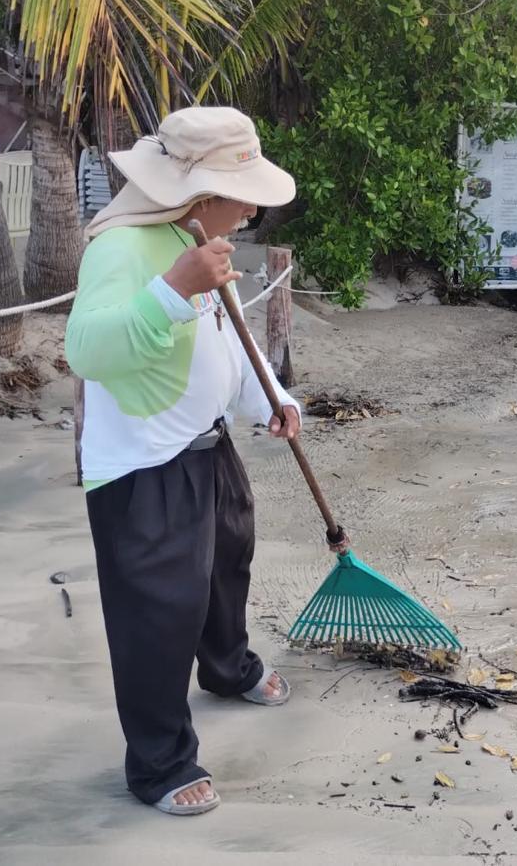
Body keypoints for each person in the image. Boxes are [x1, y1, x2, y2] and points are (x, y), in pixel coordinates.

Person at [65, 107, 304, 816]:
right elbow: (87, 350)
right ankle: (160, 762)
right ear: (199, 193)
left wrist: (270, 402)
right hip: (143, 468)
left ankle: (228, 666)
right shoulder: (121, 248)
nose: (254, 207)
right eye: (245, 195)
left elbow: (228, 341)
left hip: (207, 444)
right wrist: (172, 288)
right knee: (158, 613)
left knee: (227, 562)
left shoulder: (199, 237)